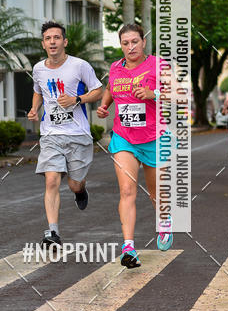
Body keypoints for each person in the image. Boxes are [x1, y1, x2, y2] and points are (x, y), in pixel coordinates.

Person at [97, 23, 173, 268]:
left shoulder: (158, 65)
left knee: (154, 193)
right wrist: (105, 105)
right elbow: (111, 88)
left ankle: (164, 222)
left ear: (143, 42)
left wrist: (154, 94)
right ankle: (128, 247)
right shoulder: (115, 67)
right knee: (127, 191)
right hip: (124, 137)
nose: (130, 47)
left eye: (134, 42)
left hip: (153, 138)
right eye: (125, 43)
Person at [28, 21, 103, 248]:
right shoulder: (38, 69)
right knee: (51, 180)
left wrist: (76, 100)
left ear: (65, 42)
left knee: (74, 184)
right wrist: (34, 109)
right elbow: (37, 92)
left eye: (57, 37)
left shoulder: (80, 66)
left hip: (78, 134)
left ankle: (80, 190)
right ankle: (53, 233)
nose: (53, 41)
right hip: (51, 134)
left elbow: (98, 90)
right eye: (48, 38)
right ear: (43, 44)